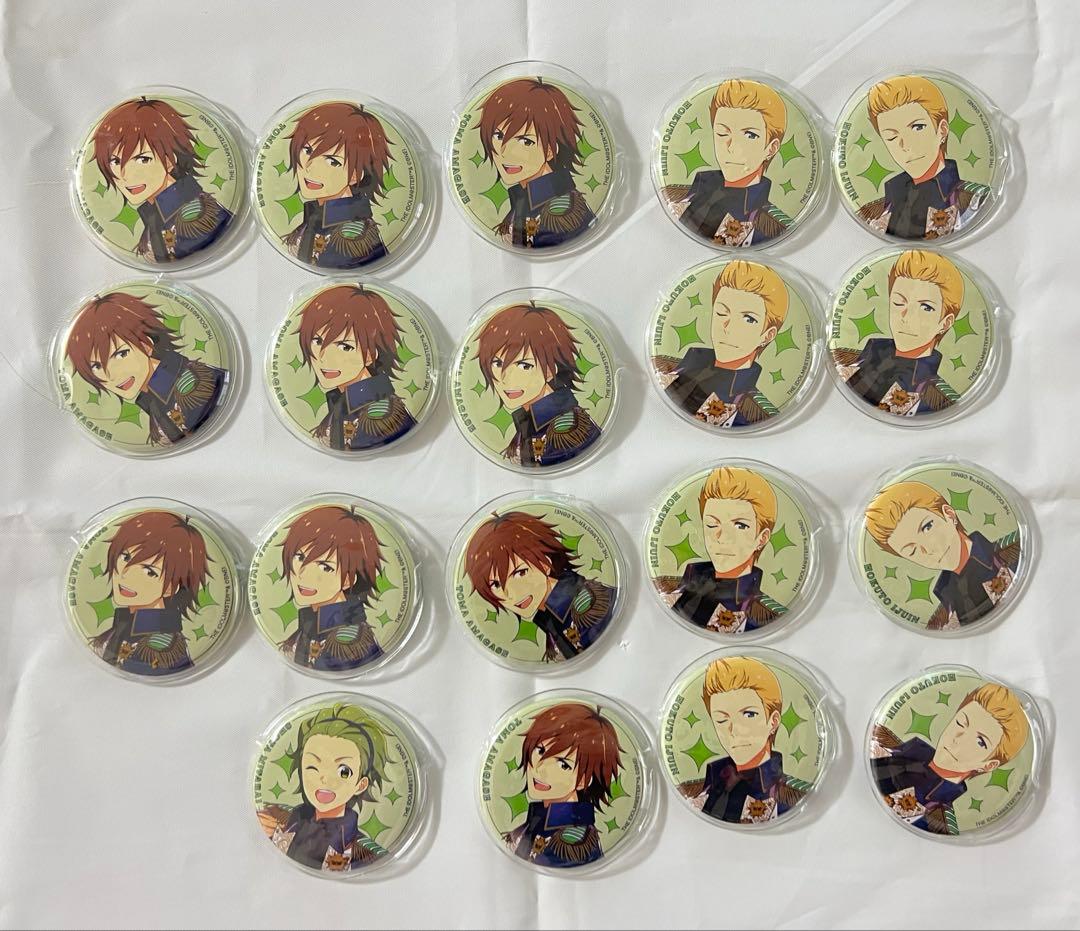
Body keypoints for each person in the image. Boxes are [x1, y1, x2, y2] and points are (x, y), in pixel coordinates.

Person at [65, 291, 226, 447]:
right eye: (96, 366)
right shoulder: (150, 398)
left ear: (147, 344)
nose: (111, 375)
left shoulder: (191, 384)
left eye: (121, 354)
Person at [871, 684, 1029, 835]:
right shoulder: (884, 743)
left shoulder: (939, 820)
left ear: (988, 765)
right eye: (960, 723)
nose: (958, 739)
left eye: (980, 742)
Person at [92, 97, 233, 262]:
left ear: (169, 160)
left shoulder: (195, 215)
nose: (125, 175)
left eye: (142, 159)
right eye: (115, 162)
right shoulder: (154, 215)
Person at [865, 481, 1020, 629]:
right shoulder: (938, 620)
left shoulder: (1014, 551)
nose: (929, 549)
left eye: (927, 527)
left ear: (949, 515)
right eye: (912, 551)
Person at [465, 510, 615, 661]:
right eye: (496, 584)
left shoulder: (591, 604)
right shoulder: (546, 618)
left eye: (520, 573)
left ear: (546, 563)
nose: (511, 594)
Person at [257, 703, 391, 870]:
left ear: (361, 784)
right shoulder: (276, 819)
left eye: (343, 771)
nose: (325, 779)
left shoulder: (365, 855)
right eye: (312, 766)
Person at [653, 261, 786, 428]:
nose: (728, 327)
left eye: (748, 319)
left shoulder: (754, 411)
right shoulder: (664, 365)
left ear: (767, 335)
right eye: (722, 312)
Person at [654, 467, 788, 633]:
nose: (722, 537)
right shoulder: (665, 587)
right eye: (712, 525)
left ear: (762, 538)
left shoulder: (767, 615)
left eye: (740, 526)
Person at [678, 657, 810, 823]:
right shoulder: (694, 790)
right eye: (721, 720)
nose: (734, 730)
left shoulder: (793, 796)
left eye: (749, 715)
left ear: (773, 721)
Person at [857, 76, 990, 240]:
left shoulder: (976, 200)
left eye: (917, 127)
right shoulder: (872, 213)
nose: (905, 145)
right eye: (891, 137)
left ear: (942, 130)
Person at [661, 79, 792, 246]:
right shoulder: (674, 195)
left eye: (750, 135)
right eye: (722, 133)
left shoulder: (774, 227)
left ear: (771, 148)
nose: (732, 147)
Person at [832, 250, 963, 416]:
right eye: (899, 302)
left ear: (945, 323)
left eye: (926, 308)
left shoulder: (938, 398)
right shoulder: (843, 356)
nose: (906, 317)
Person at [475, 303, 600, 467]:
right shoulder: (528, 421)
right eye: (497, 363)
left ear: (549, 370)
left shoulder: (565, 427)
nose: (505, 379)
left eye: (524, 366)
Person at [478, 79, 595, 249]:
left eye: (525, 141)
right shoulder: (523, 199)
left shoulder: (560, 210)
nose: (505, 152)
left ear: (550, 150)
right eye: (498, 136)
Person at [297, 285, 416, 451]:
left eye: (345, 346)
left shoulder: (379, 415)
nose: (324, 358)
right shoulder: (342, 403)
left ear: (370, 355)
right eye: (317, 341)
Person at [90, 510, 209, 676]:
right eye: (125, 557)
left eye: (149, 571)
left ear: (171, 588)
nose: (126, 575)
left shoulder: (160, 646)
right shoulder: (124, 625)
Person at [505, 703, 623, 867]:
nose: (540, 769)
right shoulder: (538, 818)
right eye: (540, 751)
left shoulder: (573, 839)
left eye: (563, 764)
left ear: (583, 781)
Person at [279, 505, 384, 672]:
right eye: (300, 557)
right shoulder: (311, 625)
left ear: (349, 580)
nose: (303, 574)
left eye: (325, 567)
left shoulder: (348, 640)